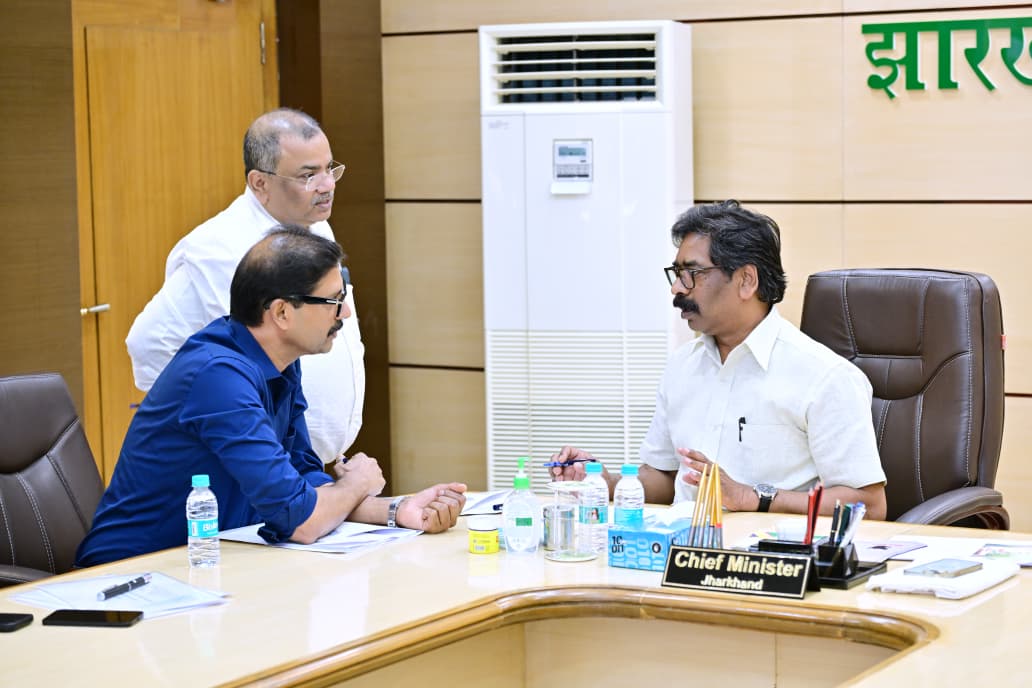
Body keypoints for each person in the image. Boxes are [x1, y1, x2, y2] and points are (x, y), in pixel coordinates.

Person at [76, 227, 466, 566]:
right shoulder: (218, 376)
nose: (345, 313)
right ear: (281, 313)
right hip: (134, 578)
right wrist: (358, 483)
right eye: (333, 301)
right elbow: (301, 521)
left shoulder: (280, 363)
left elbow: (303, 482)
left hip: (218, 563)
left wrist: (397, 510)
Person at [550, 200, 887, 520]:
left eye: (692, 273)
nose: (677, 288)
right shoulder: (681, 366)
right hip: (680, 548)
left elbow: (869, 506)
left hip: (767, 555)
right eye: (676, 273)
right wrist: (605, 483)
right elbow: (665, 478)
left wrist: (753, 498)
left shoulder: (824, 376)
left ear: (746, 281)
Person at [126, 108, 363, 464]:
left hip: (306, 462)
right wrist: (228, 423)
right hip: (256, 464)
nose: (327, 184)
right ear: (260, 183)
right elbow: (148, 344)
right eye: (308, 175)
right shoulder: (217, 248)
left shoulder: (314, 226)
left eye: (329, 168)